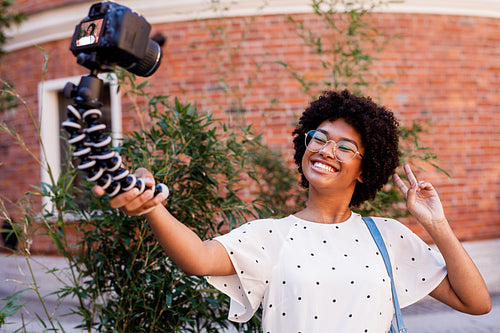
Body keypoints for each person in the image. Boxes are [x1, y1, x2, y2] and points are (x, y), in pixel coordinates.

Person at [93, 90, 491, 332]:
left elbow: (476, 304)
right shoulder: (271, 234)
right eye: (319, 137)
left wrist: (435, 223)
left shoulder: (387, 237)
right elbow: (198, 258)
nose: (325, 151)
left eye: (345, 146)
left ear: (366, 168)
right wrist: (152, 207)